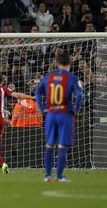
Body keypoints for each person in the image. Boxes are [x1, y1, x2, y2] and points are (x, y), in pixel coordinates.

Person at [35, 52, 83, 182]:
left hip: (50, 114)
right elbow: (79, 95)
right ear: (70, 63)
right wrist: (76, 110)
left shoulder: (49, 76)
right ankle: (60, 176)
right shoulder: (72, 77)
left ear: (57, 63)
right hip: (64, 114)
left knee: (49, 144)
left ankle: (47, 176)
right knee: (62, 145)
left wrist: (40, 107)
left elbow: (37, 92)